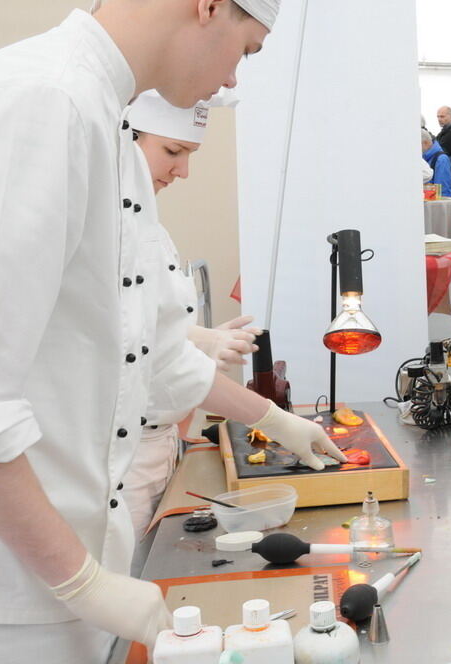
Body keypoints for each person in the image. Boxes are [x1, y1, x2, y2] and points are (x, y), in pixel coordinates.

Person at [0, 2, 348, 660]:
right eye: (248, 49)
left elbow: (158, 358)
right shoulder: (44, 101)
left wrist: (276, 419)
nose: (235, 78)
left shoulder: (108, 128)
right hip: (19, 591)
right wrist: (81, 581)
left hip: (78, 571)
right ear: (207, 6)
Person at [121, 89, 262, 545]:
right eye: (173, 151)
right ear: (124, 137)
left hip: (161, 443)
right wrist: (273, 419)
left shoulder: (148, 227)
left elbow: (148, 324)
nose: (182, 171)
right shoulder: (102, 229)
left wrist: (200, 338)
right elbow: (141, 353)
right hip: (123, 459)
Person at [422, 128, 451, 197]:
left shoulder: (441, 160)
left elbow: (443, 192)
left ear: (425, 143)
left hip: (436, 206)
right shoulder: (426, 158)